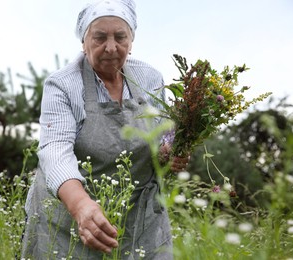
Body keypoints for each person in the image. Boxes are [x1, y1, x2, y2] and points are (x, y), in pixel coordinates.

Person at [21, 0, 188, 259]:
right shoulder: (63, 85)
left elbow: (159, 138)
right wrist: (81, 206)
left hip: (140, 216)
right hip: (71, 216)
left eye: (120, 37)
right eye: (99, 37)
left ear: (131, 40)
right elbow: (54, 150)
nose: (111, 47)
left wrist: (169, 154)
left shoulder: (150, 79)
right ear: (84, 41)